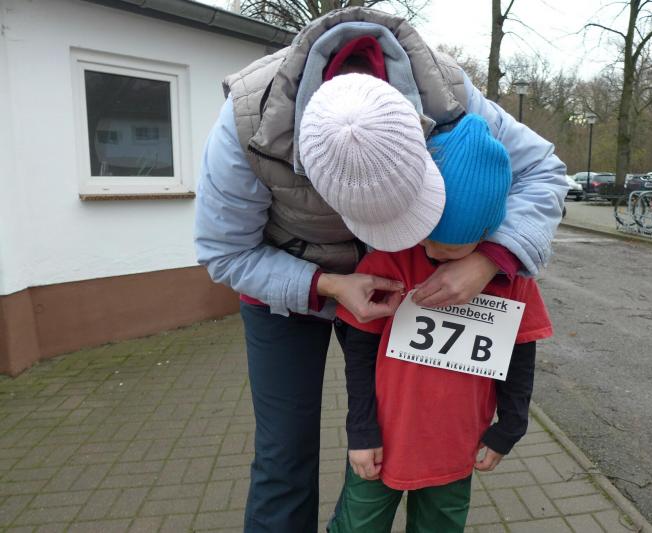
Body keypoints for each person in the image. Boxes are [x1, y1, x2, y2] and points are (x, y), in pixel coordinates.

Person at [194, 7, 567, 532]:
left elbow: (544, 171)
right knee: (284, 455)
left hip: (397, 290)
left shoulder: (447, 94)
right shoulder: (247, 124)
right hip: (284, 283)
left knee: (391, 435)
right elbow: (224, 252)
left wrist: (489, 259)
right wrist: (326, 283)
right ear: (311, 170)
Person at [295, 78, 552, 531]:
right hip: (383, 441)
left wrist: (510, 425)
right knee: (357, 525)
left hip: (457, 443)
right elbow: (359, 351)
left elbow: (520, 354)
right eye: (426, 238)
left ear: (487, 230)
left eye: (449, 251)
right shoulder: (391, 259)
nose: (430, 254)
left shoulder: (512, 277)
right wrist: (361, 431)